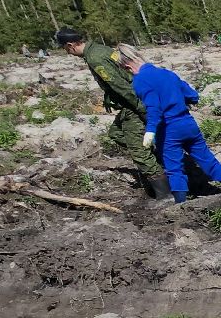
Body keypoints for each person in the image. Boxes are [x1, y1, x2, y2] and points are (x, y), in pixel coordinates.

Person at [55, 28, 169, 200]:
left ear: (70, 45)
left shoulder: (95, 57)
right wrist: (109, 97)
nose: (67, 53)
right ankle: (157, 157)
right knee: (116, 132)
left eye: (65, 49)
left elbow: (120, 85)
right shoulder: (101, 50)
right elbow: (121, 74)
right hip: (136, 98)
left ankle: (165, 193)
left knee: (139, 152)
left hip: (134, 103)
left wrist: (143, 110)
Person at [122, 44, 221, 205]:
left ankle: (181, 207)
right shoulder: (166, 73)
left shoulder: (140, 80)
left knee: (174, 168)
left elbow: (154, 108)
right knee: (207, 159)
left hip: (169, 129)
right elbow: (192, 95)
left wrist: (150, 131)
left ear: (127, 66)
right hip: (188, 124)